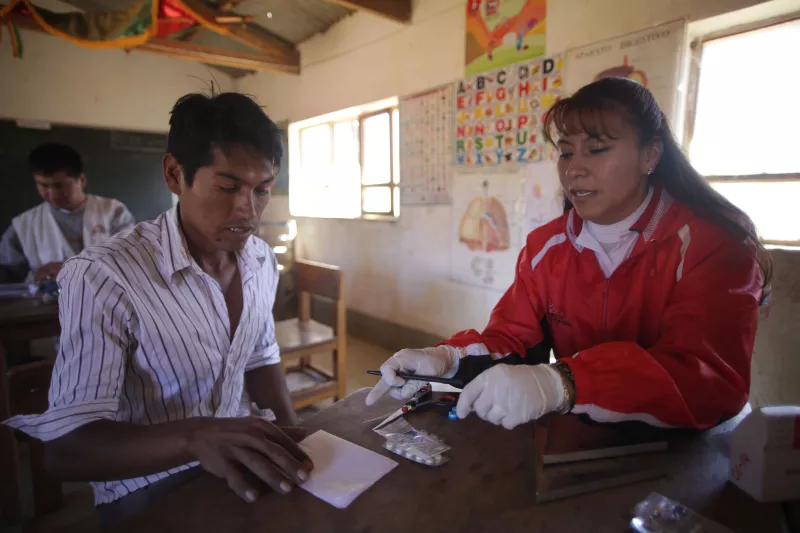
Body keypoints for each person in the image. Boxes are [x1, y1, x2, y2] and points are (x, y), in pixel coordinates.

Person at [367, 77, 771, 431]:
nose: (574, 169)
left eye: (596, 150)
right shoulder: (547, 246)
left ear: (650, 155)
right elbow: (513, 339)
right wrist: (447, 359)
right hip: (585, 429)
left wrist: (564, 383)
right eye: (565, 152)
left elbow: (708, 381)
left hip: (689, 447)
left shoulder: (713, 245)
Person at [3, 92, 312, 523]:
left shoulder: (260, 260)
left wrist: (297, 448)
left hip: (237, 464)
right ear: (173, 174)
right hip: (146, 486)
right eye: (227, 186)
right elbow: (67, 450)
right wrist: (195, 438)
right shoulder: (103, 275)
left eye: (262, 189)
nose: (249, 209)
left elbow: (260, 358)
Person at [0, 143, 135, 283]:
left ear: (81, 180)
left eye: (59, 185)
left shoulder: (113, 212)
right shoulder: (24, 224)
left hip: (106, 300)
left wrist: (72, 268)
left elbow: (129, 261)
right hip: (48, 302)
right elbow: (9, 273)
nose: (51, 193)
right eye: (44, 185)